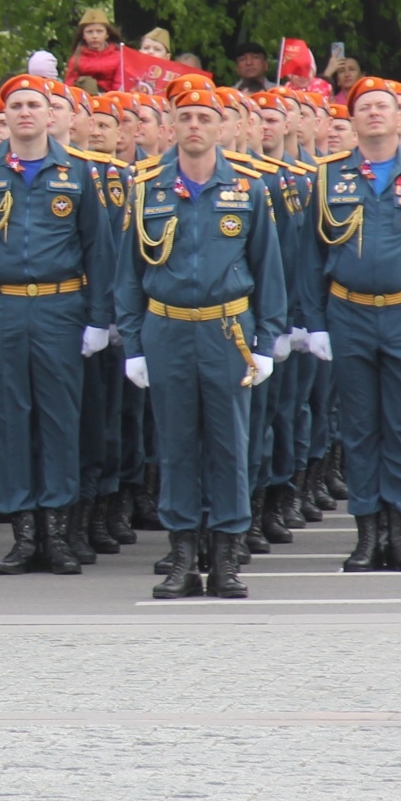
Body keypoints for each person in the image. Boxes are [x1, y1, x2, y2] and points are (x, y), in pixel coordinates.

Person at [115, 82, 288, 598]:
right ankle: (183, 556)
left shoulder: (249, 189)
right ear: (170, 127)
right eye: (185, 117)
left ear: (223, 127)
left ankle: (228, 556)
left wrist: (266, 341)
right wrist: (133, 344)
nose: (194, 126)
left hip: (226, 330)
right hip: (166, 327)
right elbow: (126, 275)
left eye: (204, 117)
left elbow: (269, 269)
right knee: (175, 445)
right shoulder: (146, 188)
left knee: (230, 445)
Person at [0, 70, 114, 573]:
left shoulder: (78, 172)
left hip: (62, 306)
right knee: (11, 418)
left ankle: (57, 533)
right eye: (14, 105)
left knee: (61, 418)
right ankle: (22, 533)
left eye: (33, 105)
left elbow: (97, 248)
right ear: (2, 116)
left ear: (49, 114)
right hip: (2, 306)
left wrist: (99, 318)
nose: (24, 113)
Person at [306, 78, 401, 569]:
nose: (374, 113)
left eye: (383, 106)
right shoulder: (328, 177)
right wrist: (314, 323)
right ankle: (366, 534)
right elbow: (309, 256)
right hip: (348, 311)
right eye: (364, 107)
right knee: (358, 428)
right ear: (351, 120)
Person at [65, 9, 123, 91]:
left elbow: (120, 84)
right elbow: (69, 86)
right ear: (83, 35)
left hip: (111, 99)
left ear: (107, 34)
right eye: (89, 32)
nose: (94, 36)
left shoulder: (119, 57)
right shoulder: (76, 59)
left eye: (99, 31)